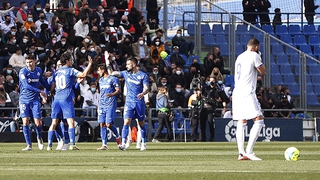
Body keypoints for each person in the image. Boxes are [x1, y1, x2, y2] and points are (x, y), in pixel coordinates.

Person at [47, 53, 93, 151]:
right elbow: (83, 74)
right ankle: (72, 144)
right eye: (71, 60)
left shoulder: (57, 71)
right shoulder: (70, 70)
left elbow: (52, 86)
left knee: (54, 122)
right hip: (66, 98)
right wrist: (90, 64)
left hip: (56, 98)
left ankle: (49, 145)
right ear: (67, 61)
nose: (72, 61)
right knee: (70, 121)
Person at [233, 38, 266, 160]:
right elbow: (263, 72)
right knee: (259, 119)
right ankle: (249, 151)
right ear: (256, 47)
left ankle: (241, 153)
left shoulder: (240, 57)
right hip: (247, 91)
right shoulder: (254, 55)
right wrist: (259, 57)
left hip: (237, 91)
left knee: (241, 121)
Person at [112, 57, 149, 151]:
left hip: (139, 102)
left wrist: (143, 93)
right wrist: (109, 62)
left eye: (128, 64)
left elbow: (146, 88)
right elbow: (113, 73)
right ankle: (123, 143)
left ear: (134, 64)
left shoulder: (143, 75)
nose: (126, 66)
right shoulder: (125, 73)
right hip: (129, 102)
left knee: (141, 123)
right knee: (126, 122)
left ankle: (143, 143)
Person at [19, 54, 50, 151]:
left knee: (37, 123)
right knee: (25, 121)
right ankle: (29, 145)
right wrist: (40, 91)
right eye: (27, 62)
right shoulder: (23, 72)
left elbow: (42, 82)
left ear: (35, 61)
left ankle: (39, 137)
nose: (29, 64)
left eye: (31, 62)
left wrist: (49, 88)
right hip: (24, 99)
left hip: (35, 100)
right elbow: (26, 86)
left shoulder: (39, 71)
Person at [96, 63, 122, 150]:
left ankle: (118, 137)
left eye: (99, 70)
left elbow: (118, 90)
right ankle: (104, 144)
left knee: (108, 124)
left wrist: (112, 94)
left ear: (103, 70)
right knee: (102, 124)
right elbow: (101, 93)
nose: (98, 72)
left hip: (110, 104)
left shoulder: (113, 79)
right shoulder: (100, 80)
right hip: (102, 104)